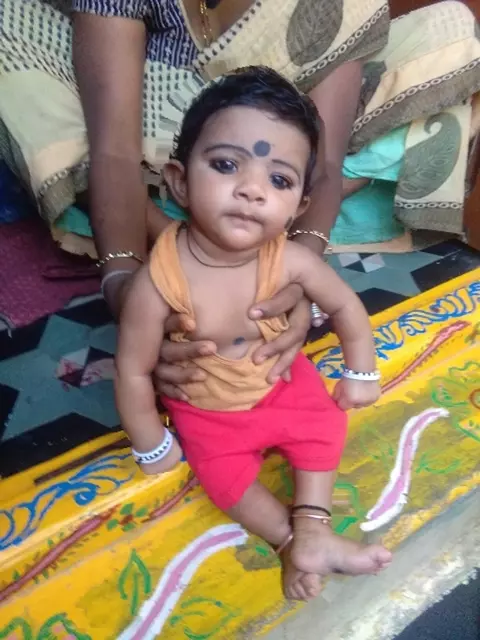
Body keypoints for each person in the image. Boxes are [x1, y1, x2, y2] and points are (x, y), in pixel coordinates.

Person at [0, 0, 479, 398]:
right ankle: (184, 220)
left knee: (450, 30)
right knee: (12, 24)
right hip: (152, 135)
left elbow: (324, 164)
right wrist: (124, 288)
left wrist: (296, 276)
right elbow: (114, 151)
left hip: (276, 140)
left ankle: (231, 220)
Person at [115, 67, 393, 602]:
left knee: (325, 423)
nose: (251, 190)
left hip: (280, 385)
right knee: (221, 478)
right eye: (226, 165)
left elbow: (344, 305)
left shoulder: (289, 260)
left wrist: (361, 370)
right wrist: (150, 440)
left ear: (300, 205)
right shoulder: (158, 282)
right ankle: (291, 539)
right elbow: (132, 369)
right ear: (178, 181)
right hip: (208, 411)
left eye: (279, 180)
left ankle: (313, 522)